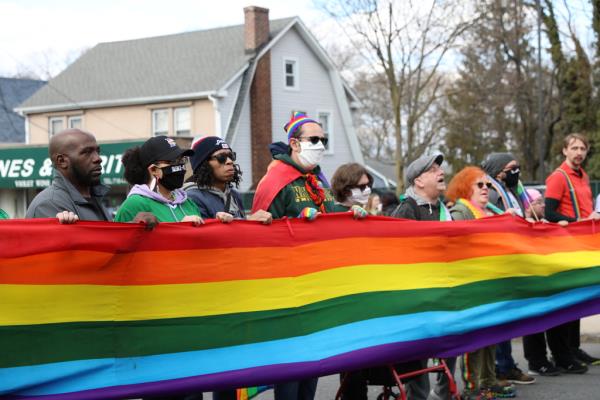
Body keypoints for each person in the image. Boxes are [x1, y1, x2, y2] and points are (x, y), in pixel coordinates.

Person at [252, 112, 337, 400]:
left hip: (317, 287)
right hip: (288, 292)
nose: (321, 145)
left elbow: (332, 217)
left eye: (324, 140)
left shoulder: (316, 180)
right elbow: (261, 235)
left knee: (312, 369)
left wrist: (354, 215)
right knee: (291, 373)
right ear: (295, 144)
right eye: (314, 139)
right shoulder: (275, 180)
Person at [445, 166, 515, 400]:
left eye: (488, 185)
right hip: (471, 286)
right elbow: (456, 244)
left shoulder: (490, 213)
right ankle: (472, 386)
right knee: (473, 339)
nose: (486, 188)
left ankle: (488, 379)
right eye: (480, 185)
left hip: (490, 285)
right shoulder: (460, 212)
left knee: (490, 336)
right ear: (466, 188)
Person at [390, 154, 454, 400]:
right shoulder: (406, 210)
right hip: (418, 299)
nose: (441, 173)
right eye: (434, 169)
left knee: (450, 345)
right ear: (418, 180)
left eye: (440, 168)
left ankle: (444, 392)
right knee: (419, 360)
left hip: (442, 293)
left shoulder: (443, 209)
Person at [539, 133, 600, 372]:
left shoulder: (582, 175)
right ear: (564, 150)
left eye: (582, 148)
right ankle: (561, 354)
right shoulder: (558, 177)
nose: (579, 152)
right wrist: (578, 221)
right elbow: (550, 213)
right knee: (563, 303)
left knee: (577, 300)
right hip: (564, 246)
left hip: (580, 247)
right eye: (574, 148)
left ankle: (572, 349)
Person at [26, 129, 156, 227]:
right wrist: (132, 227)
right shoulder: (48, 204)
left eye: (97, 151)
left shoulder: (93, 198)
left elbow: (104, 242)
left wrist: (134, 227)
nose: (98, 158)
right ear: (62, 161)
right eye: (87, 152)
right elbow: (87, 254)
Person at [481, 153, 536, 385]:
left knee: (508, 319)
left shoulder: (511, 191)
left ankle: (504, 365)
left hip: (511, 262)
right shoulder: (492, 192)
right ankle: (501, 367)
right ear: (498, 171)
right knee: (502, 320)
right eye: (511, 168)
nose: (516, 172)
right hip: (499, 264)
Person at [114, 136, 202, 225]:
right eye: (173, 161)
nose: (180, 166)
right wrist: (181, 226)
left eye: (181, 160)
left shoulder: (188, 203)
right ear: (153, 170)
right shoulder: (134, 205)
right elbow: (119, 237)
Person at [184, 136, 272, 224]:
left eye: (231, 156)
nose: (229, 161)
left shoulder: (234, 193)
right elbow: (204, 235)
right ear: (203, 164)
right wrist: (248, 222)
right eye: (221, 157)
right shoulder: (192, 197)